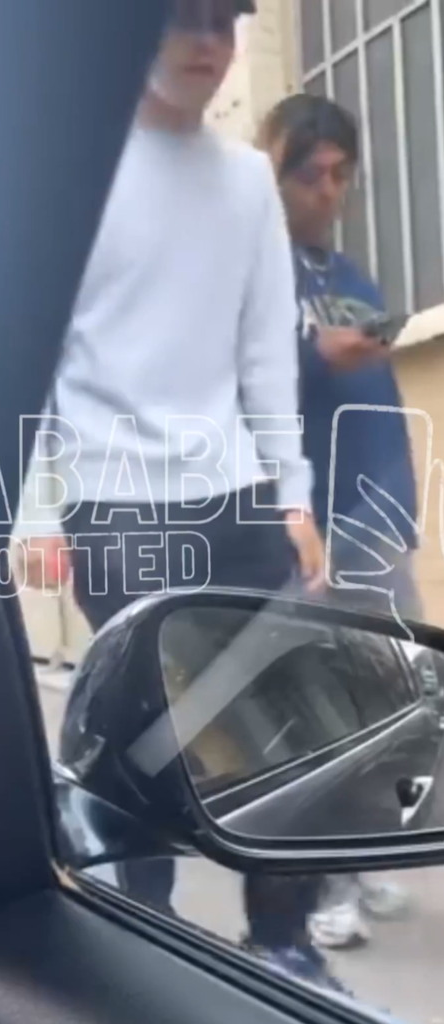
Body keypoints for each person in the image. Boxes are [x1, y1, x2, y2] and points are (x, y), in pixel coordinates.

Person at [20, 0, 331, 991]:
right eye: (181, 19)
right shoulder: (69, 175)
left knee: (293, 732)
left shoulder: (244, 182)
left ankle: (284, 942)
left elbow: (264, 350)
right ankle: (136, 941)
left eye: (224, 21)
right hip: (116, 506)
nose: (207, 42)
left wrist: (293, 496)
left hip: (236, 494)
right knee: (150, 749)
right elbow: (33, 349)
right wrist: (35, 510)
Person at [258, 93, 418, 949]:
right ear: (276, 175)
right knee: (320, 707)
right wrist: (312, 354)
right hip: (310, 521)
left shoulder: (350, 277)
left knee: (391, 698)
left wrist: (402, 510)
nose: (329, 191)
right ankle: (324, 883)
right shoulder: (258, 274)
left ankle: (362, 858)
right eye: (311, 175)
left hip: (375, 510)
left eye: (340, 175)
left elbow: (380, 396)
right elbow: (243, 384)